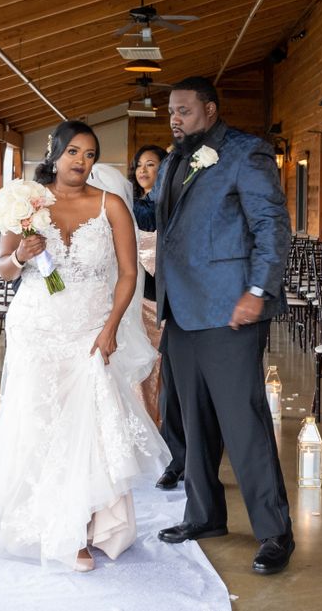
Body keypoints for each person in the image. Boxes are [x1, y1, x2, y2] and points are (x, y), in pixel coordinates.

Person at [0, 120, 169, 572]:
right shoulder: (28, 202)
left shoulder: (110, 206)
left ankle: (85, 524)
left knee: (86, 425)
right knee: (40, 421)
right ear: (56, 153)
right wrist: (21, 255)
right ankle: (54, 526)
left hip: (88, 329)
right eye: (74, 153)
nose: (81, 162)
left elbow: (129, 274)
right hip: (37, 326)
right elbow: (4, 270)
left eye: (89, 155)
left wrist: (109, 329)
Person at [144, 76, 294, 575]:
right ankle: (204, 515)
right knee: (192, 421)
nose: (175, 118)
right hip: (181, 311)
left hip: (231, 309)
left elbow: (271, 227)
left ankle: (275, 532)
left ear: (209, 110)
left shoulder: (245, 154)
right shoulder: (171, 160)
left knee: (243, 422)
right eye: (171, 111)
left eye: (184, 110)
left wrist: (256, 292)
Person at [129, 144, 187, 489]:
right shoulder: (131, 209)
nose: (143, 170)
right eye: (139, 165)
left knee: (167, 372)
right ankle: (145, 432)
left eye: (151, 164)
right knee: (142, 370)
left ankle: (170, 436)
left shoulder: (172, 207)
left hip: (166, 300)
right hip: (139, 299)